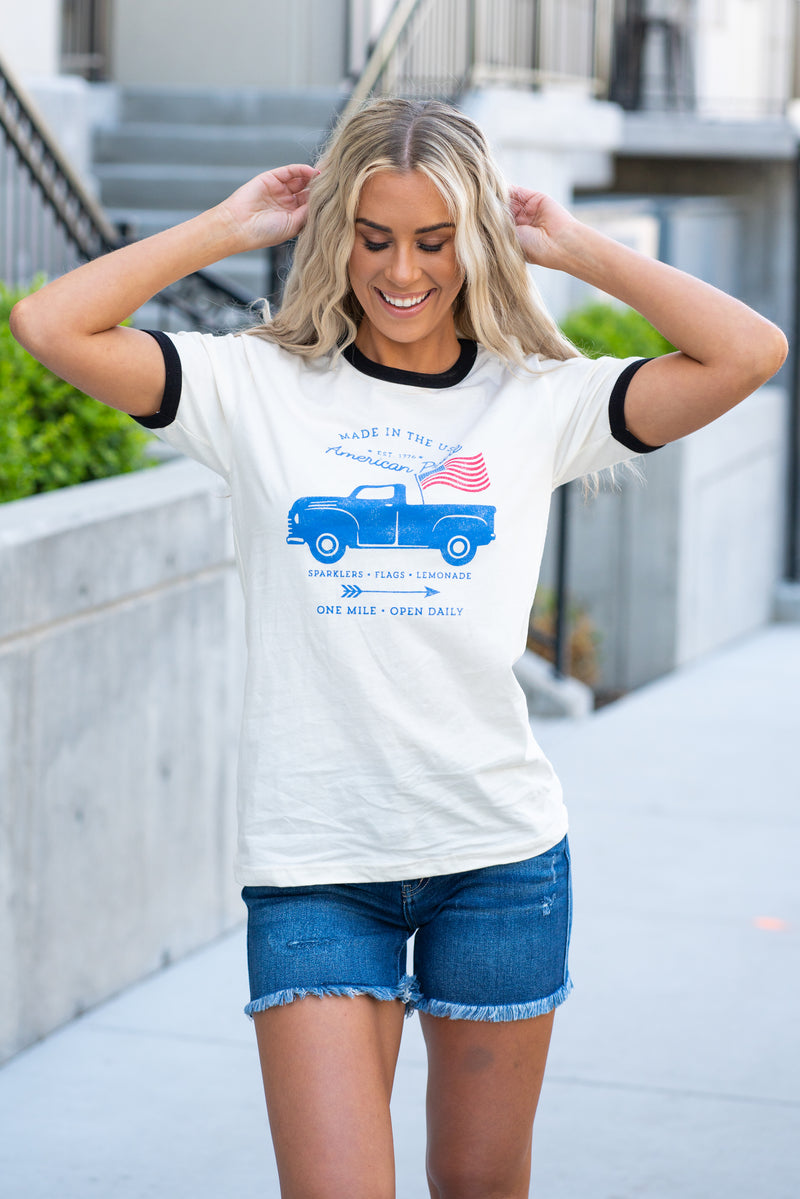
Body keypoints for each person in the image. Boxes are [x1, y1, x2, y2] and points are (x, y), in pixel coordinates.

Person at [11, 97, 787, 1199]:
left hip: (497, 857)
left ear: (477, 240)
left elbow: (750, 349)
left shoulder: (534, 400)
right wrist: (227, 227)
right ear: (337, 235)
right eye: (373, 237)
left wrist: (571, 245)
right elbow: (49, 325)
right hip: (316, 864)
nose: (403, 270)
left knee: (478, 1184)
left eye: (435, 239)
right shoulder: (251, 387)